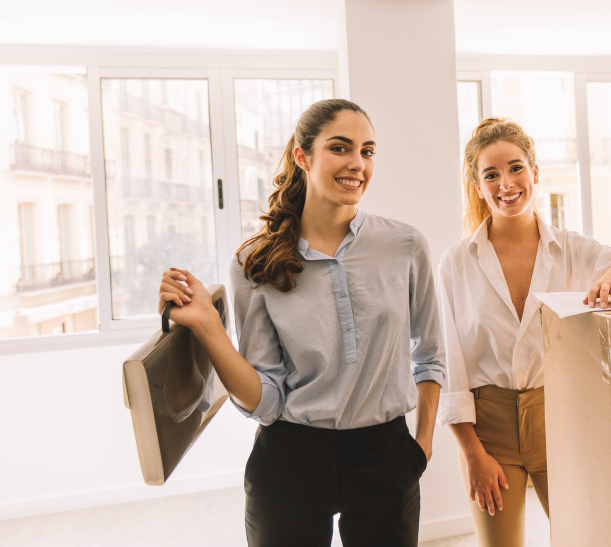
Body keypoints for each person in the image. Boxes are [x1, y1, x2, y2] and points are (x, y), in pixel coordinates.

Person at [157, 99, 444, 547]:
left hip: (385, 454)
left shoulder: (405, 244)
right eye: (340, 148)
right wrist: (210, 329)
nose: (357, 164)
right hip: (291, 457)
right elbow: (266, 401)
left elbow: (430, 354)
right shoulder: (254, 263)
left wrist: (421, 447)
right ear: (302, 155)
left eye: (367, 151)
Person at [436, 117, 611, 546]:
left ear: (535, 172)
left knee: (584, 539)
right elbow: (450, 366)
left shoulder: (573, 250)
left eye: (515, 168)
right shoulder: (456, 263)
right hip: (489, 434)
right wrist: (471, 453)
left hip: (561, 424)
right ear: (477, 184)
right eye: (491, 174)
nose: (506, 183)